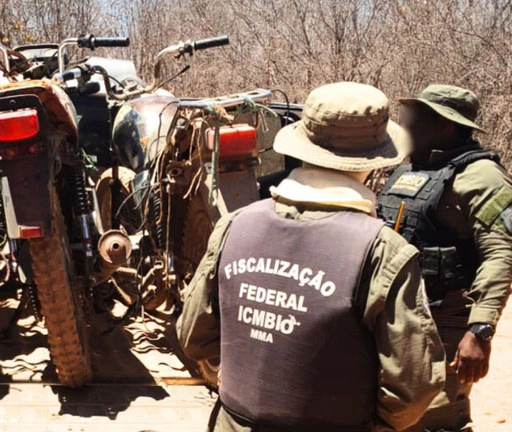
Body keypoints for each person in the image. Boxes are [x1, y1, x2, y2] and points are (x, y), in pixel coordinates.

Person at [177, 82, 446, 432]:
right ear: (376, 162)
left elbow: (193, 336)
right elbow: (414, 384)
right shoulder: (382, 251)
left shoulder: (234, 226)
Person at [377, 85, 512, 432]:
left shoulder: (483, 177)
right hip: (392, 315)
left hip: (443, 322)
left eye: (416, 119)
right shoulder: (407, 170)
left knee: (436, 416)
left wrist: (479, 330)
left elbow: (501, 252)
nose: (404, 125)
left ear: (445, 126)